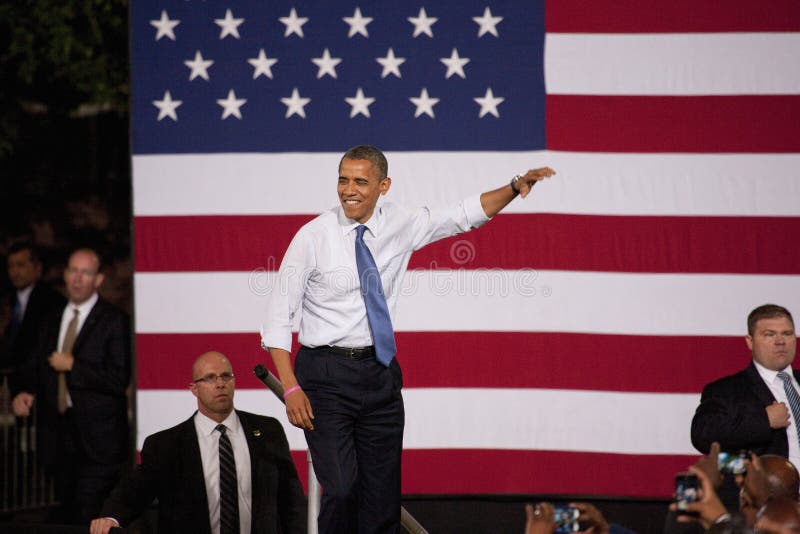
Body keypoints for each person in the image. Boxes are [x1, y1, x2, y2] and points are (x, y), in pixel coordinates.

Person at [261, 144, 556, 533]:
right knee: (344, 489)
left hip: (379, 374)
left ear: (384, 186)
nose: (349, 189)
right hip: (324, 376)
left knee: (382, 501)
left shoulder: (401, 222)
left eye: (360, 181)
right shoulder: (312, 237)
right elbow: (278, 320)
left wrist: (515, 186)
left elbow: (462, 215)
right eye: (343, 179)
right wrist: (292, 386)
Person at [90, 351, 305, 534]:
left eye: (226, 376)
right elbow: (135, 490)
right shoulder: (165, 445)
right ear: (194, 388)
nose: (220, 384)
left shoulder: (268, 430)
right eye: (210, 378)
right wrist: (112, 517)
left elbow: (291, 499)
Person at [11, 247, 131, 524]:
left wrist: (74, 366)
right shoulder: (50, 320)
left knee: (90, 514)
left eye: (86, 272)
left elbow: (118, 377)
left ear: (98, 279)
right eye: (73, 271)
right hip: (57, 438)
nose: (78, 279)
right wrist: (23, 392)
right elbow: (33, 366)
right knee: (67, 512)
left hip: (100, 441)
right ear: (65, 275)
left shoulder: (114, 320)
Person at [691, 304, 799, 469]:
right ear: (750, 341)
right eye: (769, 335)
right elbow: (703, 436)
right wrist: (764, 421)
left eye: (787, 333)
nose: (780, 341)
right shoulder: (725, 390)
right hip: (766, 493)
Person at [1, 241, 65, 370]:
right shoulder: (6, 301)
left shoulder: (53, 301)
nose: (15, 272)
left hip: (37, 376)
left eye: (21, 265)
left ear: (38, 268)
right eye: (11, 266)